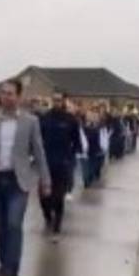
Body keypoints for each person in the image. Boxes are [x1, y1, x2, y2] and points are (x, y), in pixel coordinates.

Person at [0, 80, 50, 276]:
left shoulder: (30, 122)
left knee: (14, 224)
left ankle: (10, 269)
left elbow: (39, 152)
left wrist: (45, 180)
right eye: (3, 93)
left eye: (10, 93)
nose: (6, 97)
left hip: (18, 181)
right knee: (1, 226)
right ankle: (6, 267)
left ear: (19, 96)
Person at [39, 92, 83, 240]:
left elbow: (77, 142)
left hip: (63, 163)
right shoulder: (45, 118)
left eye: (59, 100)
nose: (57, 102)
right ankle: (47, 216)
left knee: (58, 197)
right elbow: (37, 139)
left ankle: (57, 225)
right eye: (54, 100)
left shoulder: (70, 120)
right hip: (46, 163)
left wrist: (72, 156)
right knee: (44, 197)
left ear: (63, 101)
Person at [80, 111, 108, 188]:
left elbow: (103, 138)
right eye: (89, 116)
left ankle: (90, 177)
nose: (92, 118)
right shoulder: (82, 126)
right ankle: (86, 180)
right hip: (85, 151)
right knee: (85, 168)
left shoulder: (100, 127)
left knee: (93, 166)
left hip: (95, 150)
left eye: (94, 117)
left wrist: (104, 147)